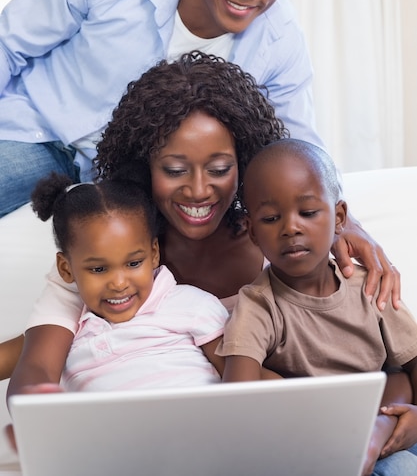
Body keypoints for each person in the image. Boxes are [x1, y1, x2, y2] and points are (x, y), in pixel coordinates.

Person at [0, 0, 400, 303]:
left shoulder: (280, 41)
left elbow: (298, 146)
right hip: (41, 130)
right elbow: (9, 41)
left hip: (128, 184)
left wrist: (344, 219)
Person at [5, 55, 411, 469]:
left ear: (245, 164)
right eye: (175, 169)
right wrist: (34, 416)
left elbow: (378, 361)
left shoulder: (283, 242)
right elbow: (37, 360)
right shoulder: (108, 252)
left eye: (219, 168)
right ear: (144, 167)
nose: (199, 190)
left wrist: (348, 226)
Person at [216, 139, 417, 476]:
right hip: (309, 439)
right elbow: (239, 401)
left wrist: (407, 415)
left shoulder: (370, 287)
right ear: (251, 231)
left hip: (386, 424)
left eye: (308, 213)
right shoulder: (258, 305)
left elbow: (411, 364)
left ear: (339, 217)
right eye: (270, 218)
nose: (291, 227)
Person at [30, 172, 227, 391]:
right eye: (99, 269)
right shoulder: (68, 340)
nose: (119, 283)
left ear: (153, 254)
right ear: (66, 269)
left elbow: (243, 383)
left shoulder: (193, 305)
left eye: (133, 264)